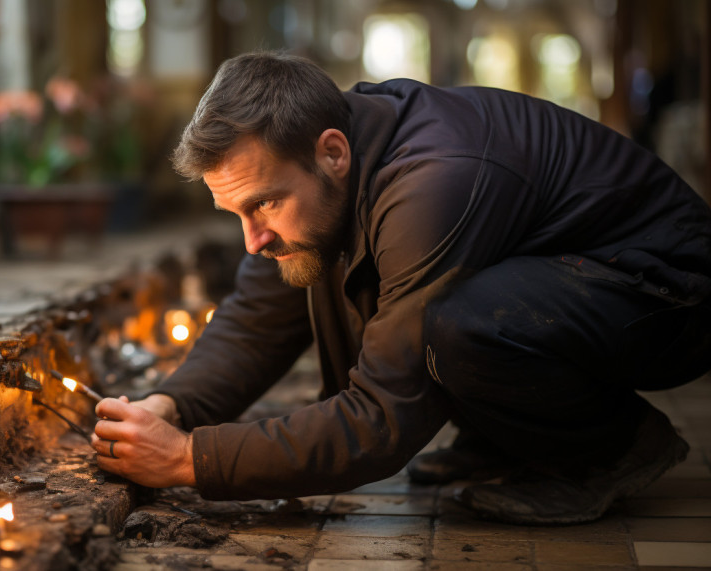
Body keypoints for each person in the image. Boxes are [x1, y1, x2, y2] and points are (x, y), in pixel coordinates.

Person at [89, 51, 711, 525]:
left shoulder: (433, 181)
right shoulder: (329, 163)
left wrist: (188, 460)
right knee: (368, 283)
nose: (252, 239)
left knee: (458, 324)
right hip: (569, 284)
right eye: (236, 216)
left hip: (668, 295)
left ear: (331, 152)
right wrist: (172, 407)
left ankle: (612, 445)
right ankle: (511, 438)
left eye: (265, 205)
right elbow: (256, 319)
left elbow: (383, 415)